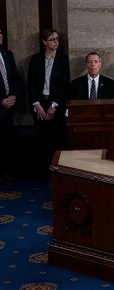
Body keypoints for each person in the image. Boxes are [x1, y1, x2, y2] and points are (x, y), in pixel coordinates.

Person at [27, 29, 70, 178]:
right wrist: (37, 104)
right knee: (41, 139)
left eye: (57, 39)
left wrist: (54, 106)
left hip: (56, 105)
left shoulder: (63, 60)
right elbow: (31, 83)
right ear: (44, 42)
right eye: (52, 39)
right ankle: (43, 173)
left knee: (56, 139)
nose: (56, 42)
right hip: (39, 103)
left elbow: (64, 85)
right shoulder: (36, 59)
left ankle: (56, 173)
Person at [0, 29, 21, 183]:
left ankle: (6, 171)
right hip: (0, 104)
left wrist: (14, 95)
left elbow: (15, 78)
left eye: (1, 33)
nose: (1, 36)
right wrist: (1, 100)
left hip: (9, 106)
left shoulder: (8, 54)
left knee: (7, 140)